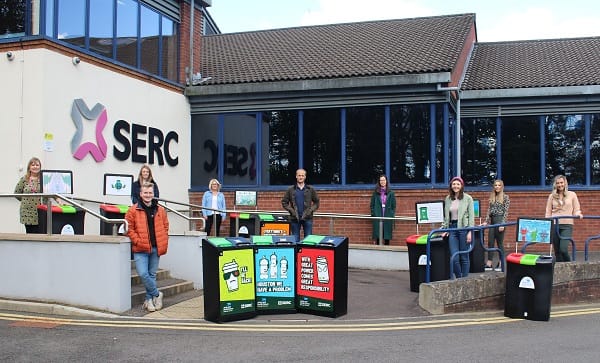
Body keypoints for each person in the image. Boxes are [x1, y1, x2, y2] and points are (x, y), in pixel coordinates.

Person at [126, 182, 169, 312]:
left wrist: (164, 239)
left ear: (153, 194)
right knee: (143, 274)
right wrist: (137, 241)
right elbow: (129, 228)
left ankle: (149, 300)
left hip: (156, 247)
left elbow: (166, 226)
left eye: (150, 193)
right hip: (140, 248)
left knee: (151, 274)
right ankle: (157, 294)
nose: (148, 195)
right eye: (145, 193)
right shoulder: (133, 210)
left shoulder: (160, 210)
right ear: (140, 194)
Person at [441, 176, 475, 278]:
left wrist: (470, 232)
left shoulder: (468, 198)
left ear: (461, 186)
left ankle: (464, 279)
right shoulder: (448, 198)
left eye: (458, 184)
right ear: (451, 186)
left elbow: (471, 217)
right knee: (454, 257)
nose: (455, 186)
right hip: (452, 228)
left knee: (464, 256)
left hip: (463, 228)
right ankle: (459, 278)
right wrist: (444, 228)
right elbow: (446, 216)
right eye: (454, 184)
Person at [545, 175, 583, 262]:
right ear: (555, 185)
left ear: (565, 183)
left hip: (567, 225)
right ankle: (560, 271)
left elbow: (576, 209)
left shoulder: (572, 194)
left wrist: (578, 214)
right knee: (557, 252)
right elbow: (548, 211)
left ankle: (569, 267)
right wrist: (547, 224)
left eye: (561, 182)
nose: (560, 185)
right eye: (557, 183)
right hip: (554, 224)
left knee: (563, 249)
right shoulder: (551, 196)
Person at [282, 168, 320, 241]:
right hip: (295, 218)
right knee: (295, 239)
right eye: (299, 175)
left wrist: (310, 211)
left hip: (307, 218)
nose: (301, 177)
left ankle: (307, 253)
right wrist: (292, 211)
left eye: (302, 175)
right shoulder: (291, 189)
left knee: (308, 239)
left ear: (305, 177)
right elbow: (284, 202)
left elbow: (317, 202)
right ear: (296, 176)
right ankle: (296, 252)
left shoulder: (310, 189)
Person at [483, 180, 510, 271]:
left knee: (500, 243)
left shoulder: (505, 197)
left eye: (499, 185)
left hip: (500, 220)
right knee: (490, 242)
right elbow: (489, 210)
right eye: (495, 185)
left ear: (502, 187)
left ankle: (501, 262)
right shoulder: (492, 197)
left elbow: (506, 212)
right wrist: (486, 221)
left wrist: (503, 223)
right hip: (492, 221)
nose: (497, 187)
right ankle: (489, 262)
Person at [14, 157, 43, 233]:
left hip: (41, 211)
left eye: (37, 165)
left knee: (40, 233)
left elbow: (51, 191)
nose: (35, 167)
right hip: (27, 212)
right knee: (30, 233)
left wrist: (58, 200)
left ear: (40, 167)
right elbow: (17, 193)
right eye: (33, 165)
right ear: (29, 167)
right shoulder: (24, 179)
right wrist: (25, 199)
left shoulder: (43, 179)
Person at [370, 174, 396, 245]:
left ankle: (387, 249)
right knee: (378, 234)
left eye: (383, 180)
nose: (382, 182)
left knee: (386, 234)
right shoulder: (375, 193)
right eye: (381, 180)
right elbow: (372, 205)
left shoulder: (391, 193)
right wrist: (373, 213)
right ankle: (378, 249)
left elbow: (394, 205)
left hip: (387, 215)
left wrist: (391, 213)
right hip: (378, 215)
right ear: (379, 182)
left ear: (386, 181)